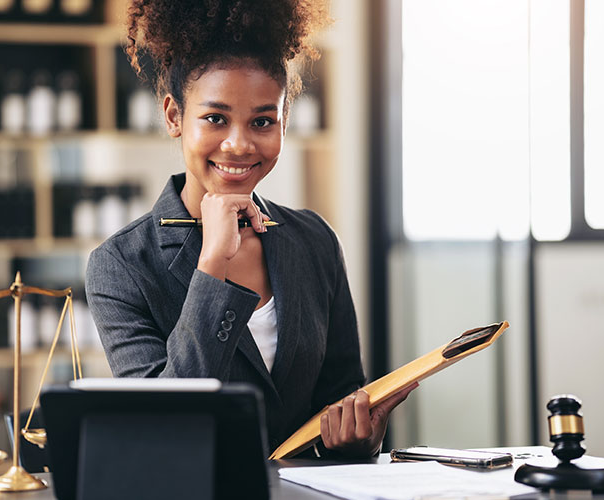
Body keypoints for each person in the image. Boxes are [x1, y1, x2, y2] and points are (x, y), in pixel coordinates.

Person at [85, 0, 416, 458]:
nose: (239, 144)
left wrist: (362, 437)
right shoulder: (121, 266)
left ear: (284, 119)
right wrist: (211, 266)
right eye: (215, 118)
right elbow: (164, 426)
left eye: (262, 121)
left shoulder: (314, 242)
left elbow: (341, 399)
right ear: (174, 116)